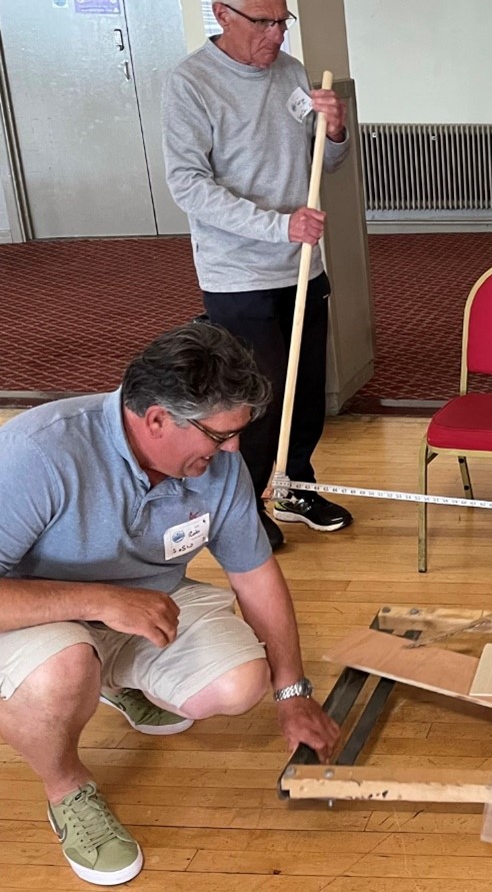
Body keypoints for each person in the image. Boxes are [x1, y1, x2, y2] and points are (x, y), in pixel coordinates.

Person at [0, 322, 339, 886]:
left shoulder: (218, 464)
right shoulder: (39, 452)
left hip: (144, 602)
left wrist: (292, 693)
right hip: (33, 615)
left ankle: (119, 682)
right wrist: (102, 601)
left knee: (239, 683)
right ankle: (66, 790)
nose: (232, 449)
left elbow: (256, 578)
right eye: (219, 434)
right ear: (156, 418)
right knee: (63, 669)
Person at [162, 0, 353, 550]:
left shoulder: (295, 75)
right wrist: (279, 227)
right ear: (222, 13)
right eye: (262, 23)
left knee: (307, 392)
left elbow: (331, 164)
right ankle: (242, 506)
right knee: (256, 399)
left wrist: (338, 131)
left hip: (302, 265)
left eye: (282, 22)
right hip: (239, 273)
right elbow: (188, 185)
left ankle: (294, 486)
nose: (275, 36)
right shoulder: (190, 84)